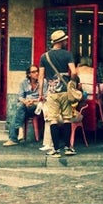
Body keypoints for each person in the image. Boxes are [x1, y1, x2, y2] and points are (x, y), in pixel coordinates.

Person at [38, 30, 78, 158]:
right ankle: (67, 147)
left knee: (53, 120)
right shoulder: (67, 54)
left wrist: (40, 94)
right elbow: (74, 72)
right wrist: (71, 82)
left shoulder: (44, 56)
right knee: (67, 118)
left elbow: (41, 76)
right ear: (61, 41)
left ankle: (55, 149)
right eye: (65, 40)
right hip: (65, 91)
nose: (66, 41)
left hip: (51, 92)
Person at [4, 65, 47, 147]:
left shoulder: (43, 81)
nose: (37, 73)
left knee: (18, 109)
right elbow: (20, 96)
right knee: (20, 108)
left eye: (37, 71)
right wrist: (25, 101)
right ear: (29, 74)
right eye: (34, 72)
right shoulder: (23, 82)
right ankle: (19, 129)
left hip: (38, 106)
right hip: (26, 106)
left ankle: (15, 136)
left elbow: (45, 96)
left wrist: (33, 100)